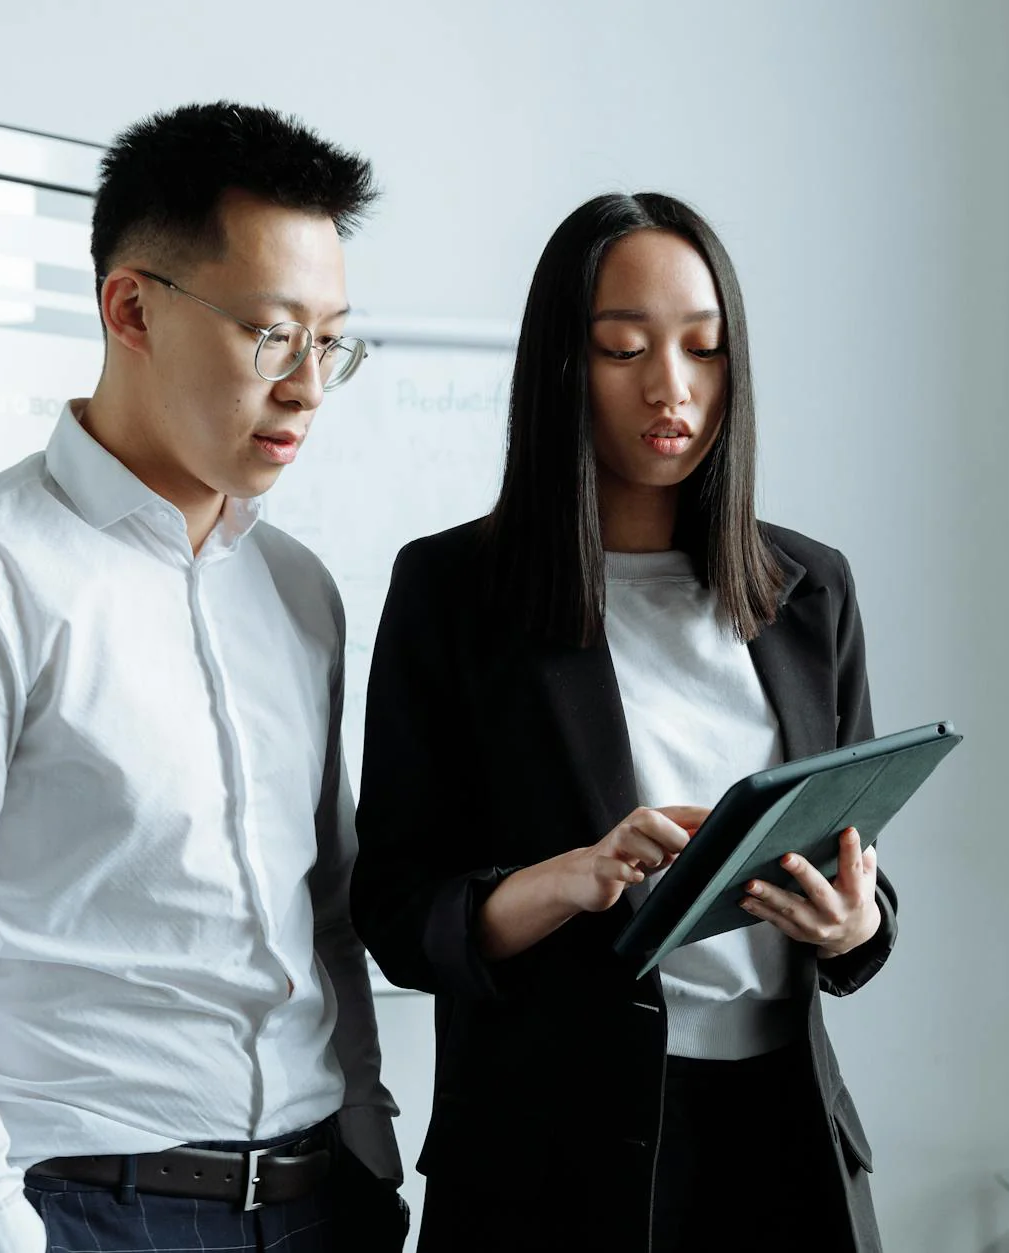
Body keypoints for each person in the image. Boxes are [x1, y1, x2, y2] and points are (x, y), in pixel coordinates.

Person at [0, 101, 406, 1253]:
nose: (308, 386)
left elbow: (321, 914)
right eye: (272, 334)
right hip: (89, 1208)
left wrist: (367, 1151)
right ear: (130, 306)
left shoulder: (297, 589)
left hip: (322, 1197)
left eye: (331, 341)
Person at [353, 191, 891, 1253]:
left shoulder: (807, 588)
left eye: (703, 348)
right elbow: (397, 913)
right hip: (546, 1163)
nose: (670, 388)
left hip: (783, 1140)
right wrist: (566, 878)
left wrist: (855, 924)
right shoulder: (453, 590)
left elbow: (853, 858)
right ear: (562, 363)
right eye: (621, 347)